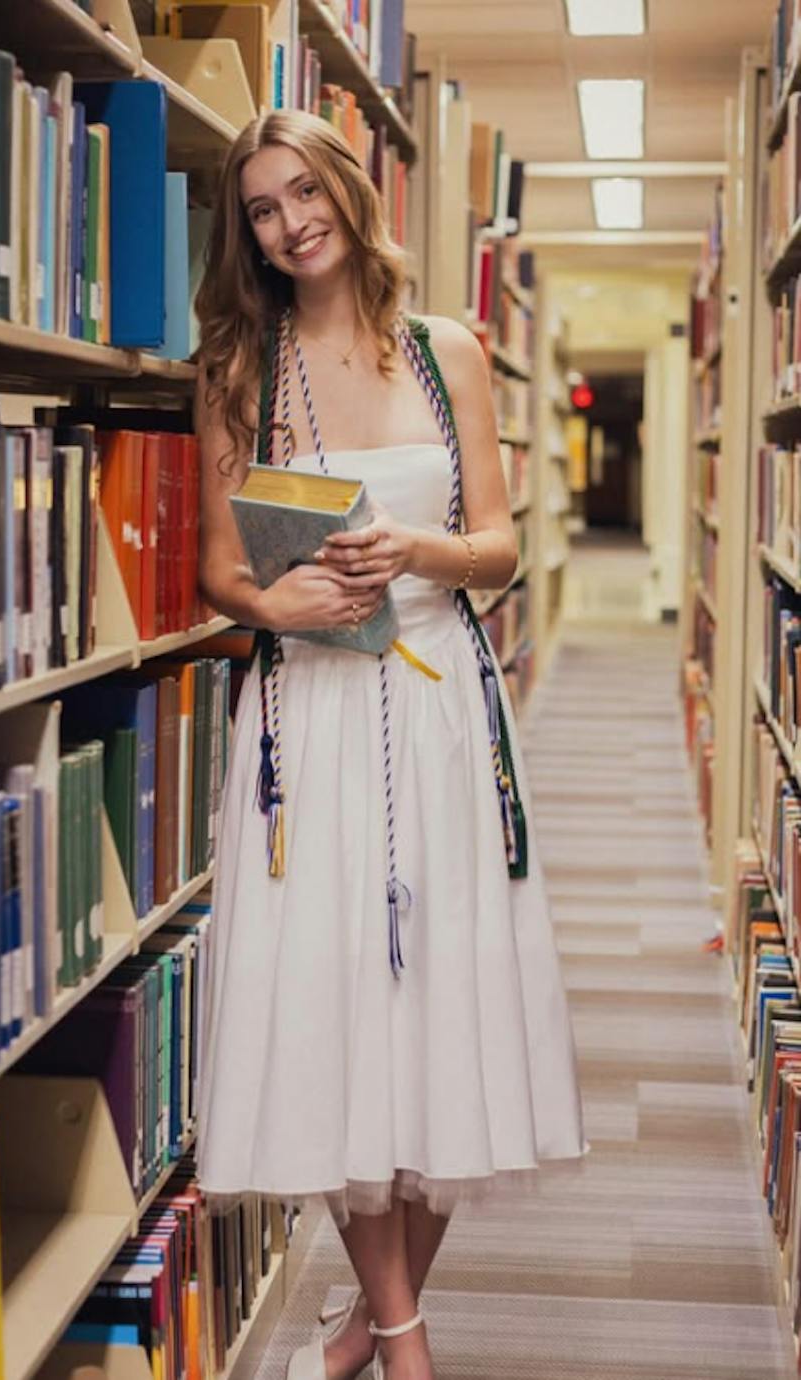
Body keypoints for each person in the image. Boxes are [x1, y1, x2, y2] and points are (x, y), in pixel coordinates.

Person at [193, 109, 587, 1380]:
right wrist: (279, 601)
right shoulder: (240, 367)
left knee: (445, 1009)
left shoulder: (448, 351)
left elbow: (501, 548)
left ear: (350, 193)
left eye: (304, 191)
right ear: (244, 231)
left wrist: (416, 551)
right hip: (309, 714)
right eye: (261, 207)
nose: (289, 221)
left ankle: (368, 1317)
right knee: (334, 1004)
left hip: (438, 713)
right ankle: (405, 1334)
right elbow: (216, 573)